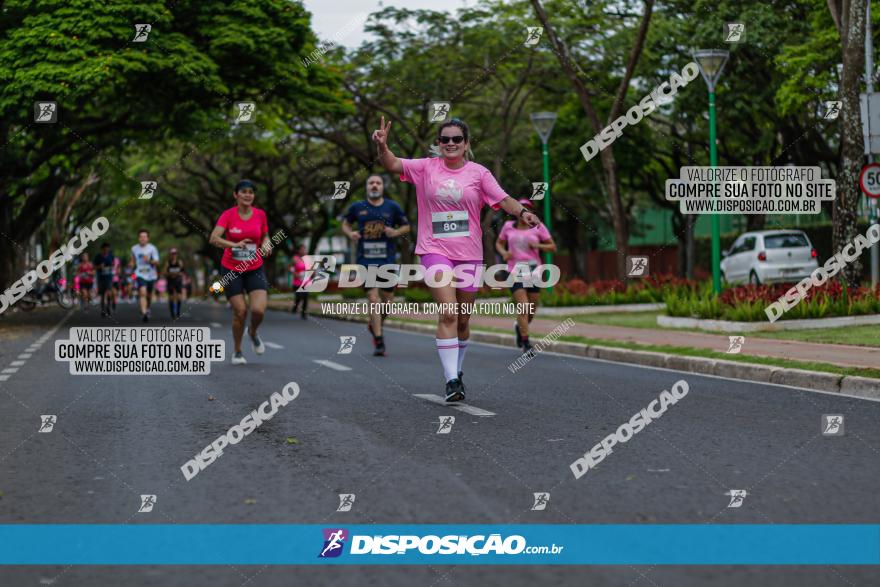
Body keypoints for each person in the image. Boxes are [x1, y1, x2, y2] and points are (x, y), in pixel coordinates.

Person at [373, 116, 540, 401]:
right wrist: (382, 146)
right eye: (445, 139)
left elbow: (504, 199)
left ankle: (457, 371)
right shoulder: (425, 167)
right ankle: (451, 381)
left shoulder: (479, 173)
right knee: (448, 311)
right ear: (438, 144)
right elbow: (392, 164)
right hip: (434, 250)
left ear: (466, 144)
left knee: (463, 319)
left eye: (456, 139)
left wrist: (522, 213)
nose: (450, 143)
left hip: (469, 255)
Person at [342, 175, 410, 356]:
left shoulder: (392, 206)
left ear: (382, 187)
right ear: (366, 187)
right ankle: (379, 341)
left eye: (378, 183)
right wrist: (351, 234)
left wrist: (395, 232)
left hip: (386, 260)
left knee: (387, 301)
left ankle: (374, 324)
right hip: (366, 260)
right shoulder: (357, 207)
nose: (374, 185)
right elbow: (345, 224)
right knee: (373, 298)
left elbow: (406, 227)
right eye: (371, 182)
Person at [208, 179, 272, 365]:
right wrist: (233, 244)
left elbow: (265, 235)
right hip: (231, 269)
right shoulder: (228, 215)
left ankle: (252, 331)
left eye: (251, 192)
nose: (247, 195)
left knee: (259, 311)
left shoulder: (260, 215)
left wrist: (267, 244)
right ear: (236, 195)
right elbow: (214, 238)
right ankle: (237, 351)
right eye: (243, 192)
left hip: (254, 267)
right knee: (240, 311)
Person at [496, 199, 557, 354]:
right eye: (523, 208)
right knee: (523, 305)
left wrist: (538, 246)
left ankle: (519, 327)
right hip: (514, 270)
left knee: (532, 308)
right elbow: (499, 243)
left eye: (528, 209)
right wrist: (504, 253)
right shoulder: (508, 227)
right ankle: (526, 342)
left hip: (533, 270)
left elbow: (552, 247)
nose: (525, 212)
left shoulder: (538, 226)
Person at [130, 229, 160, 322]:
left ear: (148, 238)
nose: (142, 238)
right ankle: (144, 313)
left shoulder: (152, 248)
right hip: (139, 273)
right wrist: (131, 264)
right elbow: (133, 260)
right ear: (138, 238)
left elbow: (157, 262)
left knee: (149, 295)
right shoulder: (134, 248)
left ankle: (147, 308)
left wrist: (149, 260)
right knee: (142, 292)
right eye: (141, 237)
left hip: (151, 274)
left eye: (144, 237)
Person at [93, 243, 116, 317]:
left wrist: (111, 267)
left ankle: (108, 307)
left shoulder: (111, 256)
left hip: (109, 277)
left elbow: (113, 265)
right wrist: (100, 266)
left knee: (109, 293)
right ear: (102, 249)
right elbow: (94, 267)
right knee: (102, 295)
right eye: (105, 249)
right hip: (101, 277)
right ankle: (103, 309)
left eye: (107, 249)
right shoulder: (98, 257)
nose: (106, 250)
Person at [164, 248, 185, 320]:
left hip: (178, 281)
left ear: (177, 254)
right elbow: (165, 272)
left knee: (179, 297)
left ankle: (178, 312)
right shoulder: (168, 263)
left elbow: (182, 272)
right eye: (172, 254)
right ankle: (172, 313)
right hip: (170, 281)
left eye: (175, 254)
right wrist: (170, 274)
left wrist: (177, 274)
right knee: (171, 297)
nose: (174, 255)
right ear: (170, 255)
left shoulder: (179, 262)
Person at [289, 244, 309, 319]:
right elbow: (290, 267)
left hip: (306, 281)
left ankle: (304, 314)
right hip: (297, 282)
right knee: (299, 296)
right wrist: (294, 273)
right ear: (298, 250)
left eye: (304, 249)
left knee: (305, 297)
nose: (303, 251)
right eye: (302, 249)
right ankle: (296, 306)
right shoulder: (295, 258)